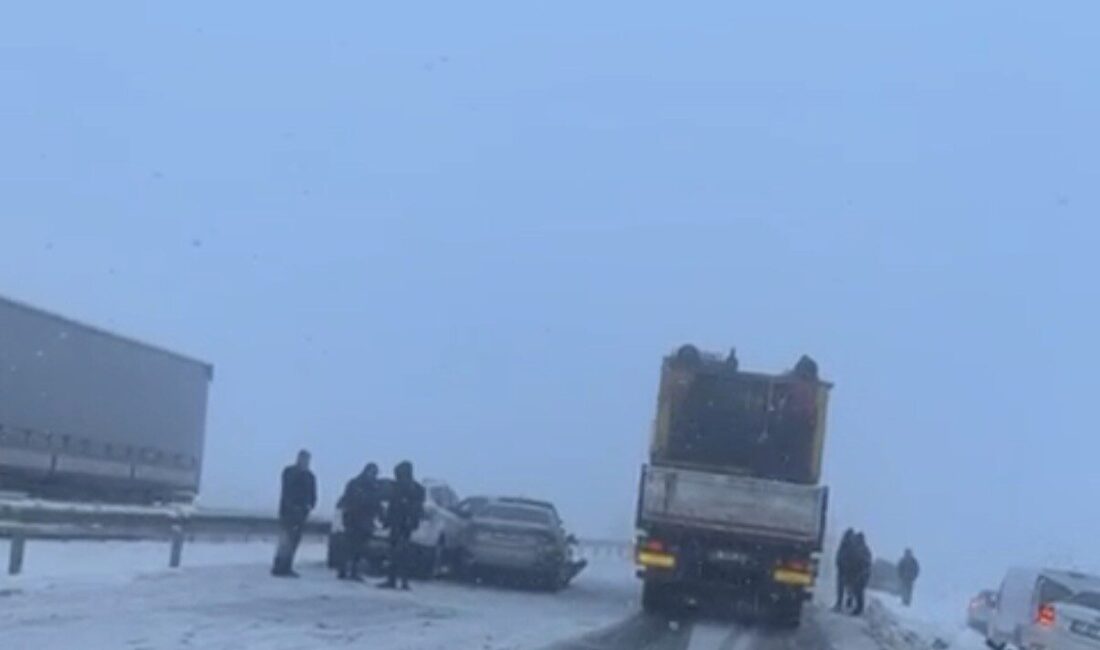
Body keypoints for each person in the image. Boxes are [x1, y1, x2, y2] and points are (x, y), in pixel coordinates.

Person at [378, 460, 425, 590]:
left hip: (403, 524)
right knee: (397, 553)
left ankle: (398, 580)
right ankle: (397, 580)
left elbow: (416, 507)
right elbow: (392, 506)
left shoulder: (413, 489)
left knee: (399, 553)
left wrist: (410, 519)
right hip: (399, 523)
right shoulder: (410, 488)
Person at [272, 450, 317, 578]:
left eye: (307, 460)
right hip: (288, 513)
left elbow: (313, 494)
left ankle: (287, 566)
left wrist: (310, 506)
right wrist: (293, 507)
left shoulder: (310, 476)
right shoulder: (290, 472)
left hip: (302, 514)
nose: (305, 462)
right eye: (303, 459)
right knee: (285, 541)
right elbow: (287, 491)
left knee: (294, 541)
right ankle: (279, 567)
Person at [337, 462, 382, 581]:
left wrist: (380, 515)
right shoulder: (356, 484)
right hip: (355, 519)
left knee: (358, 548)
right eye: (372, 472)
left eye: (375, 473)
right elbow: (347, 500)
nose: (373, 475)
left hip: (363, 521)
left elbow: (376, 503)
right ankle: (345, 570)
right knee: (351, 547)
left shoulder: (372, 486)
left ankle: (352, 571)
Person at [849, 532, 873, 616]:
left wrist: (862, 572)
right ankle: (857, 607)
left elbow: (866, 563)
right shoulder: (858, 548)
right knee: (856, 590)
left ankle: (859, 608)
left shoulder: (864, 550)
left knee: (859, 591)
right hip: (858, 573)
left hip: (862, 574)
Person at [834, 528, 856, 612]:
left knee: (843, 588)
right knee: (846, 588)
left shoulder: (846, 544)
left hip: (845, 570)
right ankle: (845, 604)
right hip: (845, 569)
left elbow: (841, 555)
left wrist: (841, 564)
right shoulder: (850, 544)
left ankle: (841, 604)